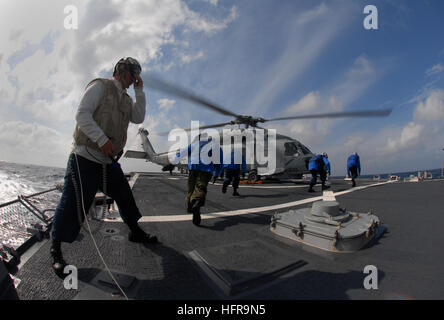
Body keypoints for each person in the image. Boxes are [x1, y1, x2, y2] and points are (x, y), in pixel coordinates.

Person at [50, 57, 158, 278]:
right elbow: (82, 115)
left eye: (137, 75)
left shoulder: (128, 100)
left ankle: (135, 231)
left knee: (124, 196)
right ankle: (56, 251)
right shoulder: (100, 86)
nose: (135, 78)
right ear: (121, 71)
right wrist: (102, 140)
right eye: (132, 73)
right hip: (85, 158)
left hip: (107, 162)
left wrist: (140, 92)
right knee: (73, 204)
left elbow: (138, 117)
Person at [174, 136, 223, 226]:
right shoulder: (216, 147)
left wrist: (174, 161)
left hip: (193, 168)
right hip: (206, 169)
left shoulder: (194, 144)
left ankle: (189, 206)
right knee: (200, 187)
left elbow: (181, 153)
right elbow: (220, 162)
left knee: (191, 187)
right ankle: (197, 203)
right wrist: (216, 174)